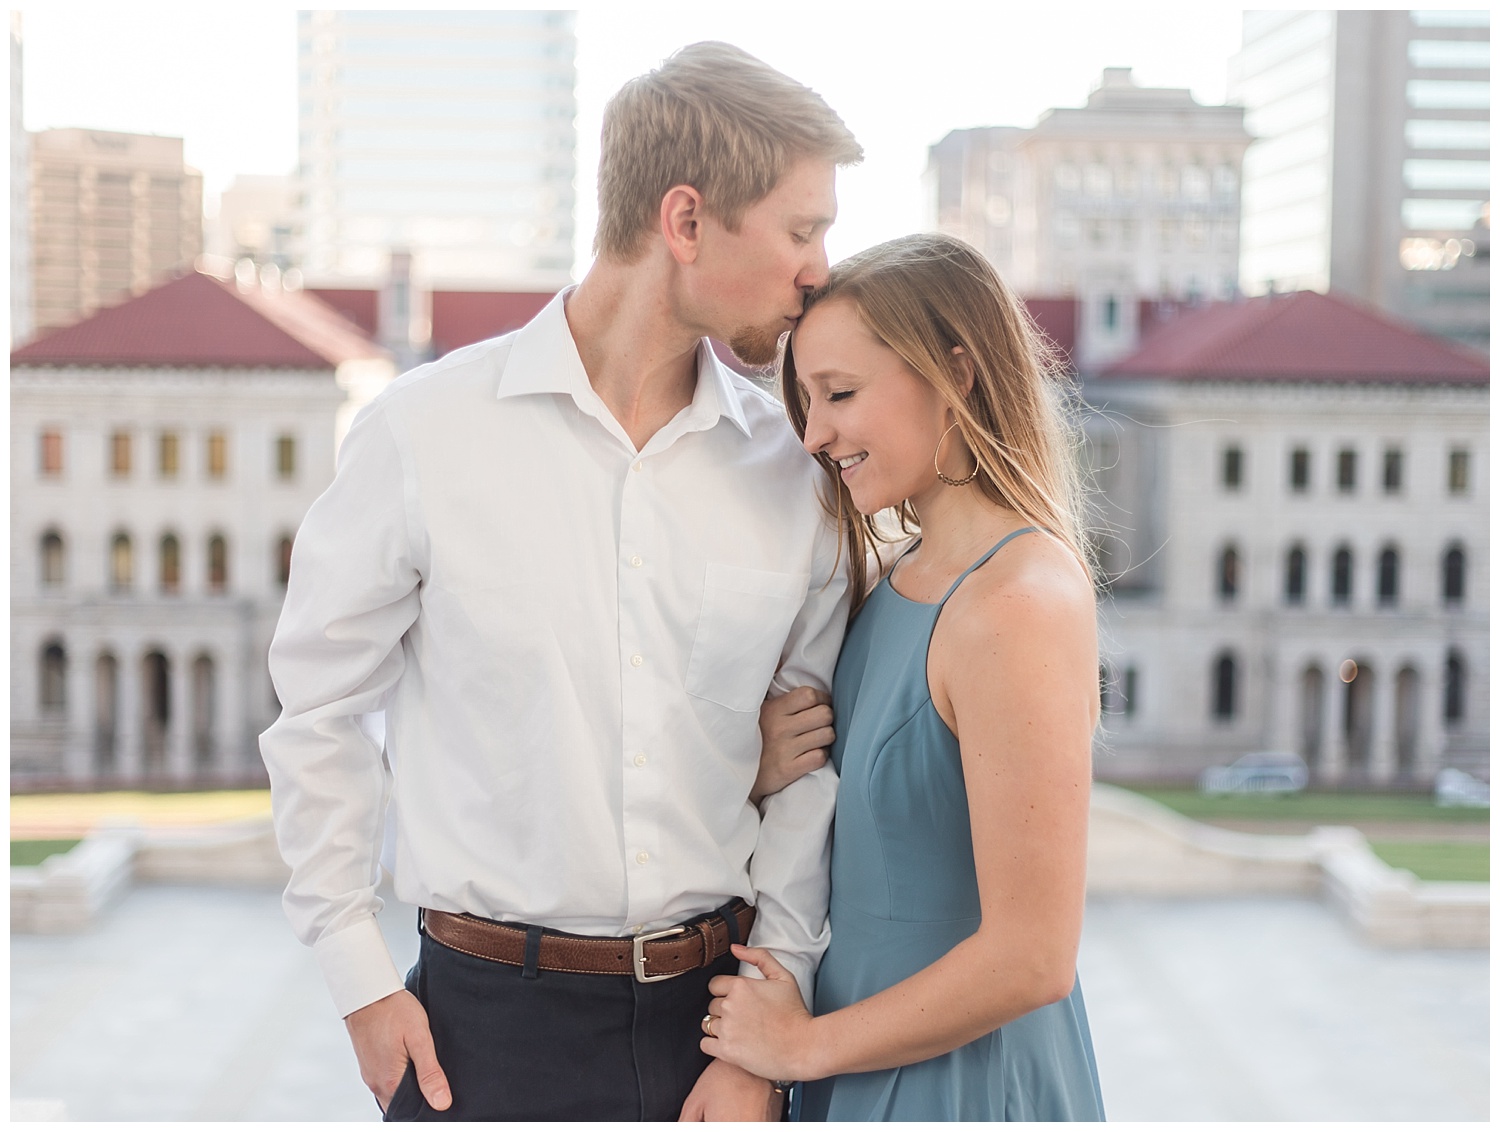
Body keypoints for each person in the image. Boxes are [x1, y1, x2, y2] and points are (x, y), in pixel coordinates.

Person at [259, 42, 862, 1121]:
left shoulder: (794, 473)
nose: (820, 267)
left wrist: (765, 1032)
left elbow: (805, 772)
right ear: (684, 223)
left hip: (713, 1037)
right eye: (802, 229)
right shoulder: (424, 435)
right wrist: (357, 979)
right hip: (478, 1038)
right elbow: (319, 713)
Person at [700, 233, 1106, 1121]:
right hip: (860, 1068)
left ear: (955, 371)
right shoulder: (894, 580)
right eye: (807, 402)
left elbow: (1034, 958)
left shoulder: (1017, 604)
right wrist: (762, 765)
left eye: (840, 394)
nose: (815, 435)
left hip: (959, 1085)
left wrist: (801, 1046)